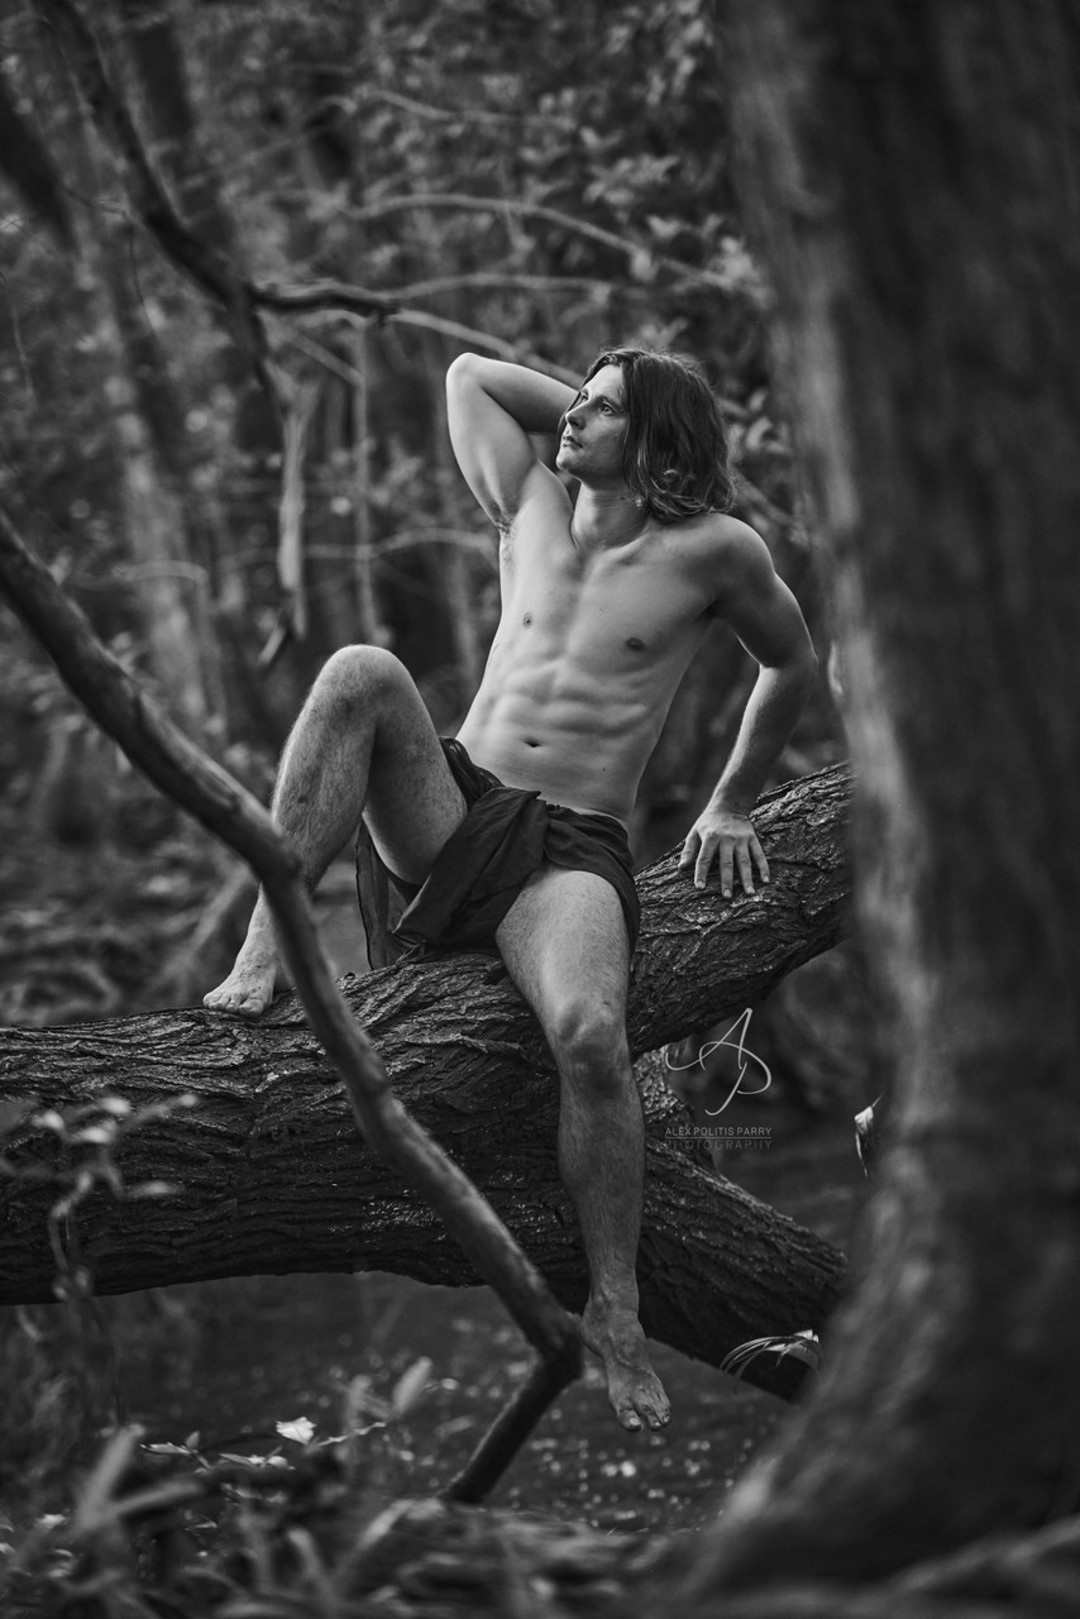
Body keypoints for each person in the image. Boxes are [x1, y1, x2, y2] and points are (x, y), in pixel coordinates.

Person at [205, 347, 818, 1432]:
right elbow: (465, 375)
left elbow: (792, 661)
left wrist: (729, 801)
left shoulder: (715, 550)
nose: (570, 416)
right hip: (455, 811)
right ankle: (264, 949)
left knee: (589, 1034)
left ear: (657, 441)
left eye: (600, 409)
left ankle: (617, 1306)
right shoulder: (527, 504)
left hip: (569, 848)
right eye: (574, 399)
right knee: (358, 670)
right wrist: (607, 390)